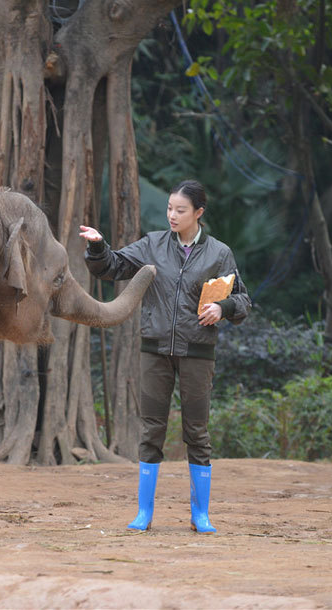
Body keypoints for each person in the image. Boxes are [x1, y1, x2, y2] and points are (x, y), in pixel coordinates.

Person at [79, 179, 250, 533]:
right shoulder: (153, 245)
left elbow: (243, 300)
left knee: (196, 431)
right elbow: (113, 266)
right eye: (170, 208)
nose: (172, 215)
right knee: (151, 429)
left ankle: (200, 515)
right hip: (155, 350)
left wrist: (223, 307)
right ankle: (144, 513)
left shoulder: (219, 253)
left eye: (180, 210)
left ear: (198, 213)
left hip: (197, 352)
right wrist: (97, 247)